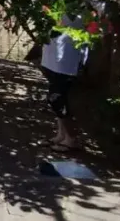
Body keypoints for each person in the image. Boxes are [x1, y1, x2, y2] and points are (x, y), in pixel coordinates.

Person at [41, 13, 87, 153]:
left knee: (57, 98)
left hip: (67, 58)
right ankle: (61, 135)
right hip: (54, 55)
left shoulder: (87, 2)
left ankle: (71, 139)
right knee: (58, 98)